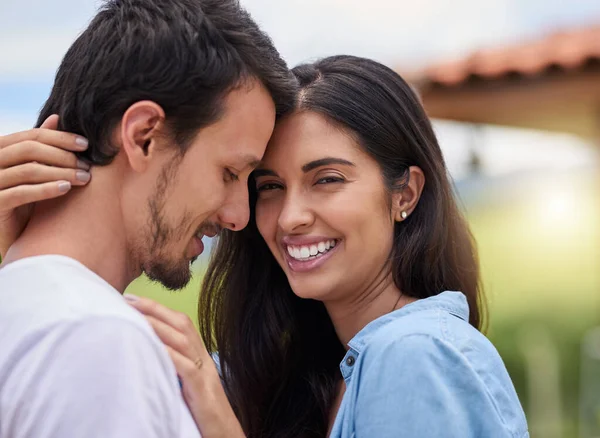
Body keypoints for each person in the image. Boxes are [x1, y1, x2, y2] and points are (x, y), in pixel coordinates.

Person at [0, 55, 529, 437]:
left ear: (405, 193)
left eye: (327, 179)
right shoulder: (292, 372)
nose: (289, 218)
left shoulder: (416, 355)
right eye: (267, 186)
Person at [0, 0, 295, 436]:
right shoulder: (98, 339)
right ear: (143, 137)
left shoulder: (26, 305)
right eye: (229, 173)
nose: (239, 217)